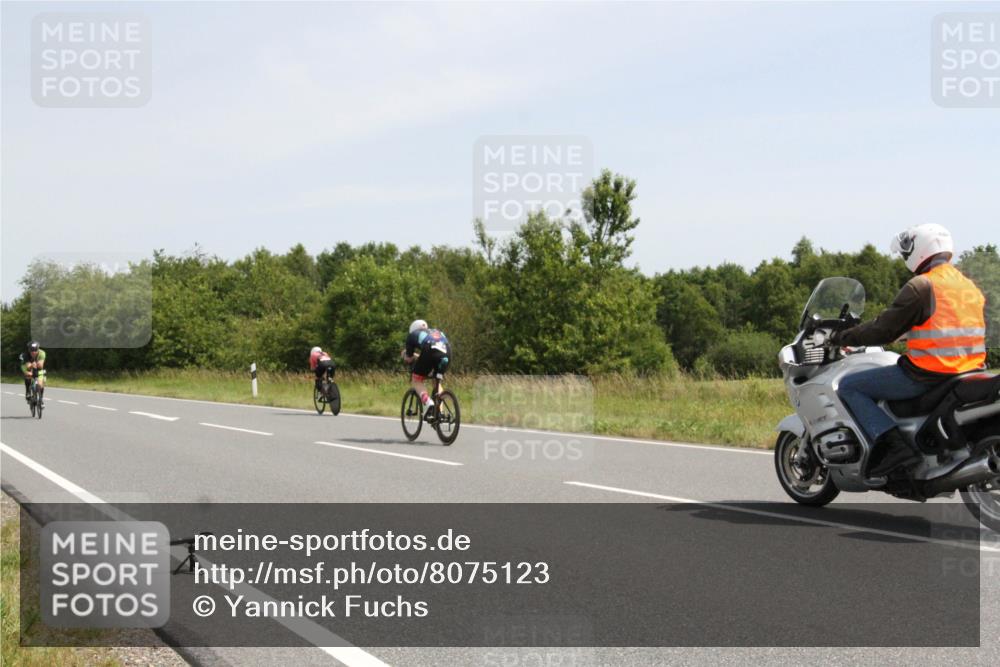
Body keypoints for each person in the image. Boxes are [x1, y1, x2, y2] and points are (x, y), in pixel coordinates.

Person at [830, 224, 987, 477]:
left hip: (927, 374)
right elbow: (950, 326)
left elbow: (883, 329)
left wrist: (842, 337)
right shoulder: (969, 286)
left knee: (849, 386)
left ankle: (893, 448)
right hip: (969, 369)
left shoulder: (922, 286)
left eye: (906, 250)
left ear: (920, 249)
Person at [401, 320, 451, 420]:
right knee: (436, 381)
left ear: (413, 329)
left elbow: (409, 358)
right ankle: (440, 412)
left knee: (416, 380)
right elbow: (435, 351)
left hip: (429, 352)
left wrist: (404, 355)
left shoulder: (413, 335)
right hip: (447, 353)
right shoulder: (436, 331)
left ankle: (428, 402)